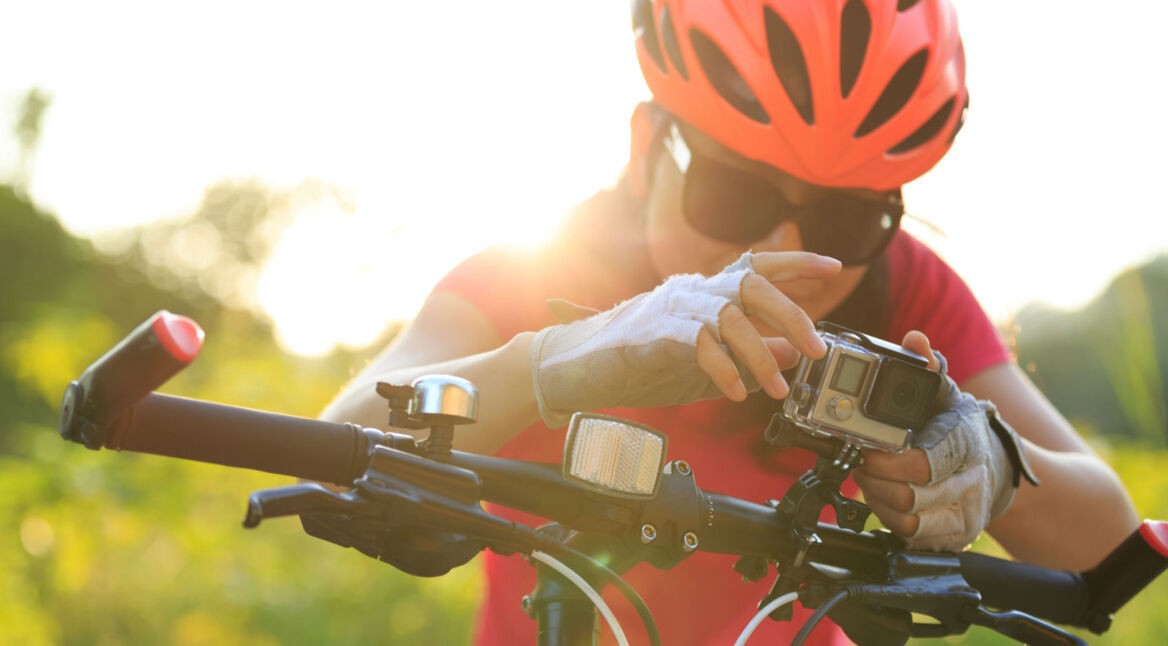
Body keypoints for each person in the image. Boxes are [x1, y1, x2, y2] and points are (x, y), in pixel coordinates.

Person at [321, 1, 1139, 643]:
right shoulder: (544, 265)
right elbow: (333, 448)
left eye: (847, 221)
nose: (780, 248)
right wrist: (555, 362)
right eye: (734, 193)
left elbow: (1109, 546)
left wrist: (994, 460)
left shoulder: (907, 291)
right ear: (648, 146)